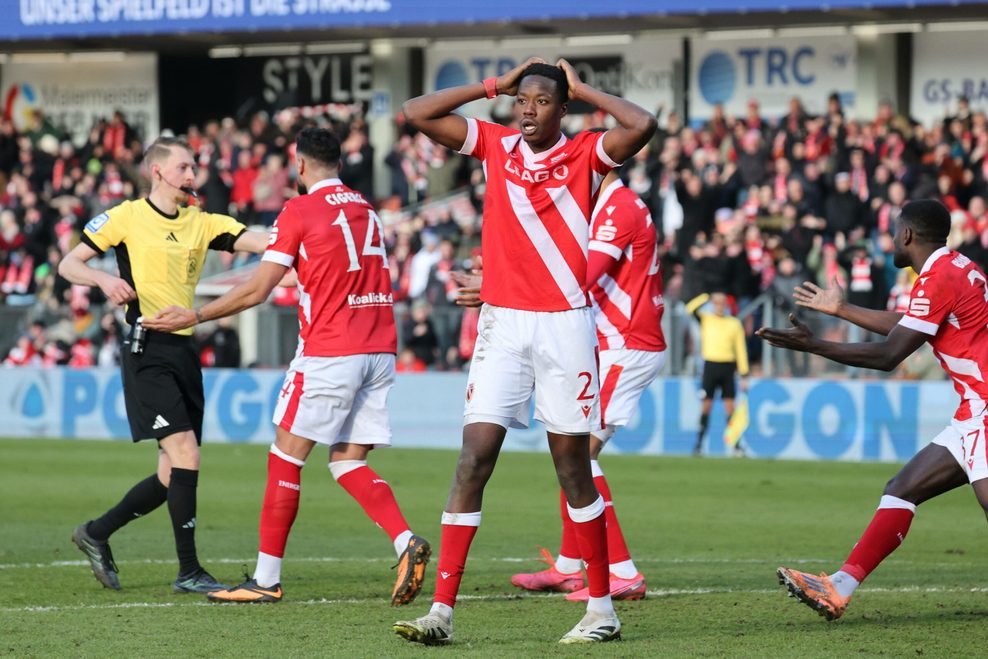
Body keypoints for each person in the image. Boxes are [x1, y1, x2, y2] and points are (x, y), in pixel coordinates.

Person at [393, 58, 656, 645]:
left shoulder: (588, 153)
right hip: (503, 325)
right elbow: (415, 112)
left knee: (573, 467)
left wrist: (584, 88)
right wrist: (494, 85)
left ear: (562, 109)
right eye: (522, 100)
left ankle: (602, 612)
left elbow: (642, 124)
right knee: (473, 459)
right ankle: (441, 613)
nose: (528, 110)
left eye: (542, 101)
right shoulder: (496, 144)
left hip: (565, 326)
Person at [144, 127, 431, 607]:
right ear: (339, 162)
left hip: (331, 351)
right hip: (379, 350)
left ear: (299, 165)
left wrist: (195, 315)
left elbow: (259, 289)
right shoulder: (367, 209)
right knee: (348, 461)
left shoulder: (299, 210)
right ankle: (405, 541)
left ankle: (265, 579)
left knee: (285, 458)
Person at [757, 199, 988, 621]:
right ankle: (838, 587)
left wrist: (815, 346)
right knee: (902, 487)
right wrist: (843, 309)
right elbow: (911, 323)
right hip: (974, 409)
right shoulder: (956, 267)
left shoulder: (937, 278)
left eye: (894, 232)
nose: (892, 240)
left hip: (985, 407)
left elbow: (888, 355)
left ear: (907, 235)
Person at [60, 136, 269, 593]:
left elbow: (261, 240)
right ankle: (189, 572)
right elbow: (68, 264)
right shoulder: (126, 217)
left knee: (171, 473)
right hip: (147, 351)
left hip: (184, 352)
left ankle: (95, 532)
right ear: (157, 172)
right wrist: (101, 279)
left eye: (194, 168)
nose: (192, 176)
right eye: (184, 168)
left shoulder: (202, 222)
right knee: (187, 455)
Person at [458, 168, 665, 602]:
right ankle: (571, 567)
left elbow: (579, 276)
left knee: (580, 455)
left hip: (624, 342)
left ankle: (622, 572)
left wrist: (497, 285)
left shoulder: (618, 208)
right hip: (612, 341)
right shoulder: (604, 206)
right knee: (571, 450)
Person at [686, 291, 750, 456]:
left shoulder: (734, 323)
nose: (720, 306)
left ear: (727, 305)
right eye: (716, 302)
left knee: (730, 408)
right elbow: (690, 308)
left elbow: (740, 349)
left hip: (728, 367)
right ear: (713, 304)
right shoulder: (706, 319)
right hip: (710, 366)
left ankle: (736, 445)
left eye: (722, 303)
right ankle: (699, 445)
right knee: (706, 407)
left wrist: (744, 374)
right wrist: (706, 296)